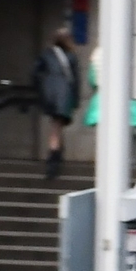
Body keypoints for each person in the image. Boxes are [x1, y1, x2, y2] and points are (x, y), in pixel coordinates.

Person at [33, 30, 78, 178]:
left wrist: (43, 87)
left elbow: (34, 73)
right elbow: (76, 80)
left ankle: (56, 156)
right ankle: (54, 160)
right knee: (57, 128)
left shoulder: (46, 55)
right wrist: (75, 100)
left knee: (56, 126)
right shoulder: (71, 57)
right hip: (64, 95)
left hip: (50, 95)